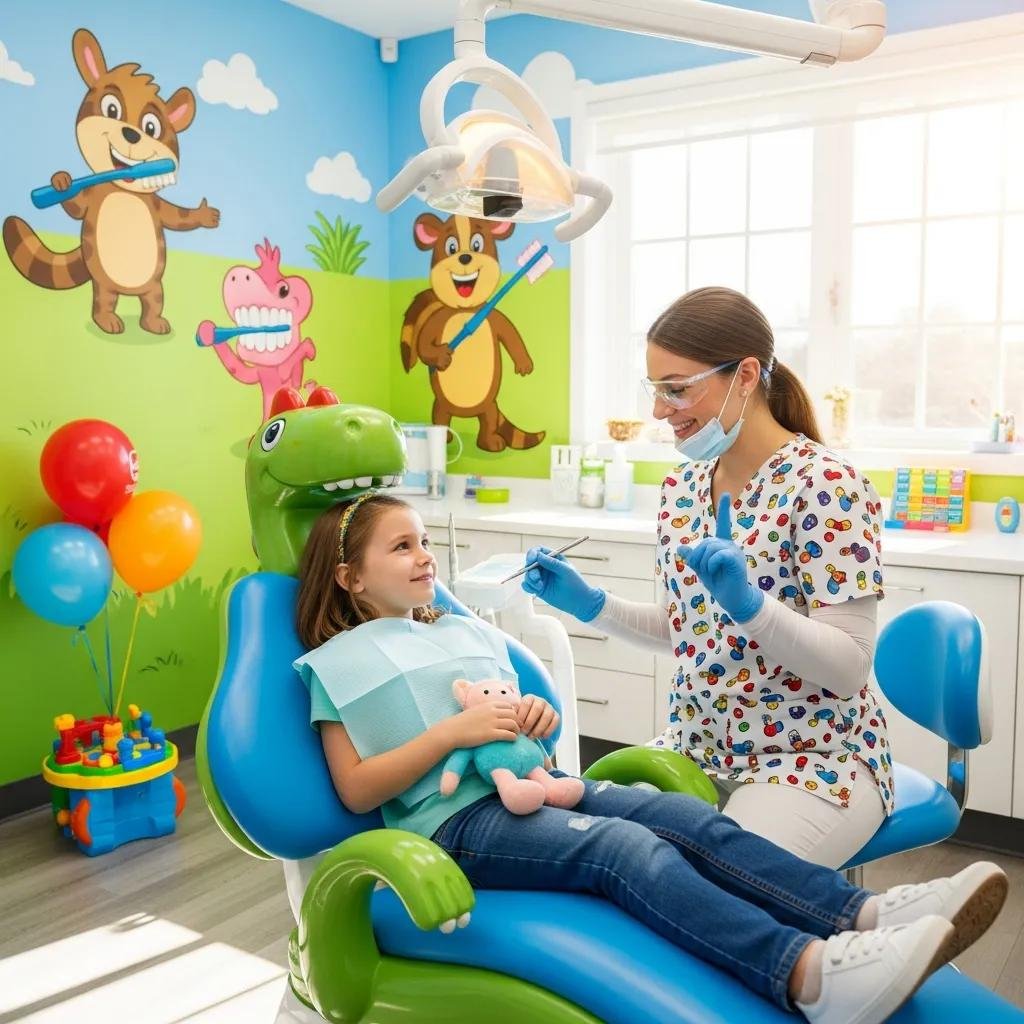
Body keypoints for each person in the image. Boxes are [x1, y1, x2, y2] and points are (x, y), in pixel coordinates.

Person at [292, 490, 1007, 1024]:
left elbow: (513, 728)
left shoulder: (457, 631)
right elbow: (357, 790)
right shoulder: (338, 662)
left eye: (424, 541)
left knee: (688, 820)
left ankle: (865, 914)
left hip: (542, 786)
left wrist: (532, 721)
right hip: (457, 829)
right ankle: (808, 975)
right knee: (624, 851)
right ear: (350, 578)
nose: (425, 557)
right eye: (402, 547)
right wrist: (454, 734)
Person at [524, 286, 896, 868]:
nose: (659, 410)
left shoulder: (826, 486)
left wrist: (751, 606)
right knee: (591, 854)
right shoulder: (682, 490)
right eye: (656, 391)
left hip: (810, 758)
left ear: (745, 375)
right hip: (695, 748)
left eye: (676, 388)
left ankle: (856, 946)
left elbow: (849, 668)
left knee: (708, 886)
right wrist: (591, 604)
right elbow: (692, 632)